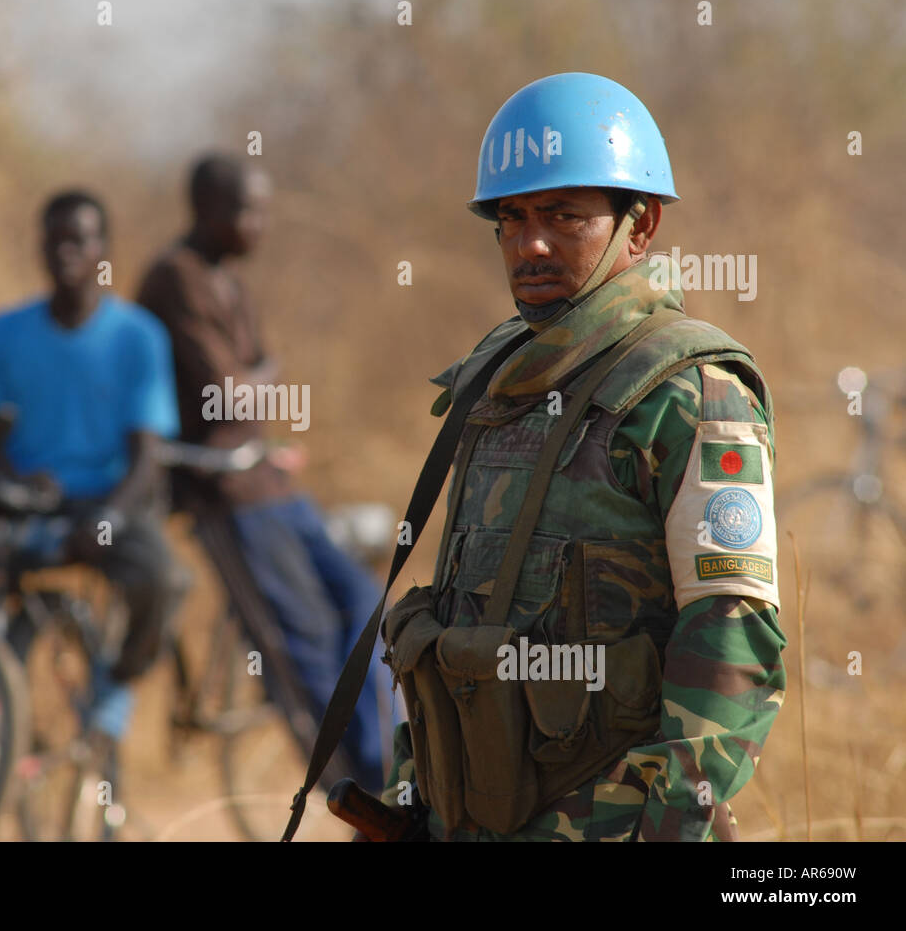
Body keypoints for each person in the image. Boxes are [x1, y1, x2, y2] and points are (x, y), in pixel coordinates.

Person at [374, 73, 787, 841]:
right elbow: (460, 615)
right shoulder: (497, 381)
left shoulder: (691, 392)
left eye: (564, 216)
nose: (531, 243)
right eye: (513, 217)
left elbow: (732, 630)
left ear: (642, 225)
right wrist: (413, 788)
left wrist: (666, 820)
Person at [137, 154, 394, 794]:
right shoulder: (176, 278)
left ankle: (400, 773)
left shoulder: (230, 283)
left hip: (273, 482)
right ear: (207, 211)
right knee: (301, 650)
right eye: (248, 211)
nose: (261, 225)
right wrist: (260, 381)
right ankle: (366, 800)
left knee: (364, 610)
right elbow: (236, 392)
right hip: (225, 497)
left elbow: (253, 386)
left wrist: (258, 388)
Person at [0, 189, 185, 745]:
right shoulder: (4, 332)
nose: (67, 251)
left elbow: (147, 457)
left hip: (105, 502)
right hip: (28, 503)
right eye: (55, 239)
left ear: (102, 249)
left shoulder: (139, 337)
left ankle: (115, 687)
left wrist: (106, 518)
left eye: (80, 239)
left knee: (164, 579)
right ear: (40, 247)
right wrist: (12, 486)